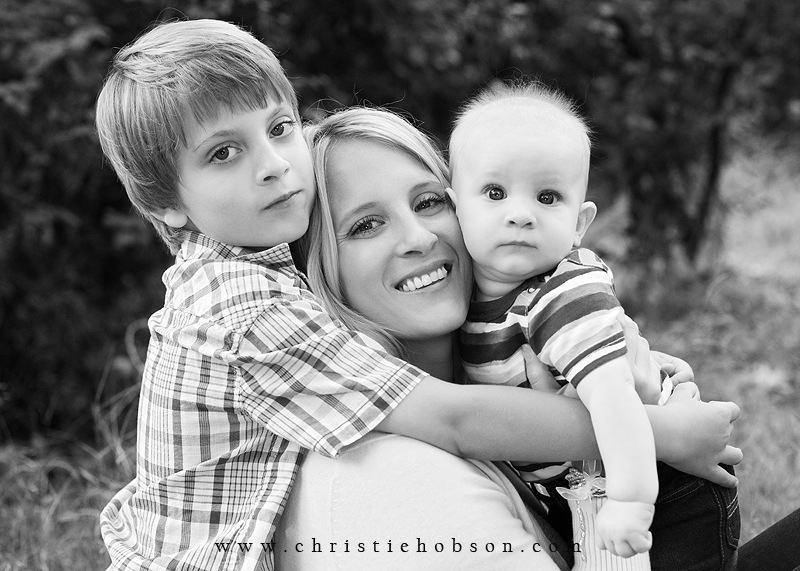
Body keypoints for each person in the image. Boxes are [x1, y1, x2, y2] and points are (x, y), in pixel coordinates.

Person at [93, 19, 741, 571]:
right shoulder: (243, 307)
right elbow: (455, 418)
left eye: (280, 127)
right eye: (223, 153)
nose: (273, 165)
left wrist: (607, 373)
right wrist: (650, 432)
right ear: (164, 203)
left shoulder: (252, 253)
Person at [274, 105, 745, 570]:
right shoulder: (389, 474)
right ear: (317, 269)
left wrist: (629, 378)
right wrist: (655, 435)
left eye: (427, 202)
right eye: (365, 225)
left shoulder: (506, 343)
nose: (418, 238)